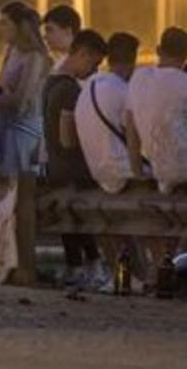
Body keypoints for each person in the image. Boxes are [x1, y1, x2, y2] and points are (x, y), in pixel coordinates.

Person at [44, 29, 108, 287]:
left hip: (54, 167)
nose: (94, 70)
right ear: (83, 53)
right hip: (72, 168)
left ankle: (76, 267)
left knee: (69, 222)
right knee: (83, 219)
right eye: (95, 62)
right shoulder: (69, 90)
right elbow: (67, 137)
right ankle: (93, 266)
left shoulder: (50, 83)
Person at [124, 27, 187, 194]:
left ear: (159, 50)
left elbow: (131, 129)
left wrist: (136, 170)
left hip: (164, 175)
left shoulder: (138, 78)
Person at [0, 1, 51, 176]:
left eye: (5, 23)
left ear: (19, 26)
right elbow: (1, 85)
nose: (1, 28)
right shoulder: (11, 50)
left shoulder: (34, 57)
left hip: (24, 131)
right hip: (4, 127)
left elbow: (21, 101)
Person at [74, 32, 140, 194]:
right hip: (121, 176)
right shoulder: (124, 91)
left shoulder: (88, 87)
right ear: (133, 61)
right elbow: (134, 138)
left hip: (98, 174)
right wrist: (139, 174)